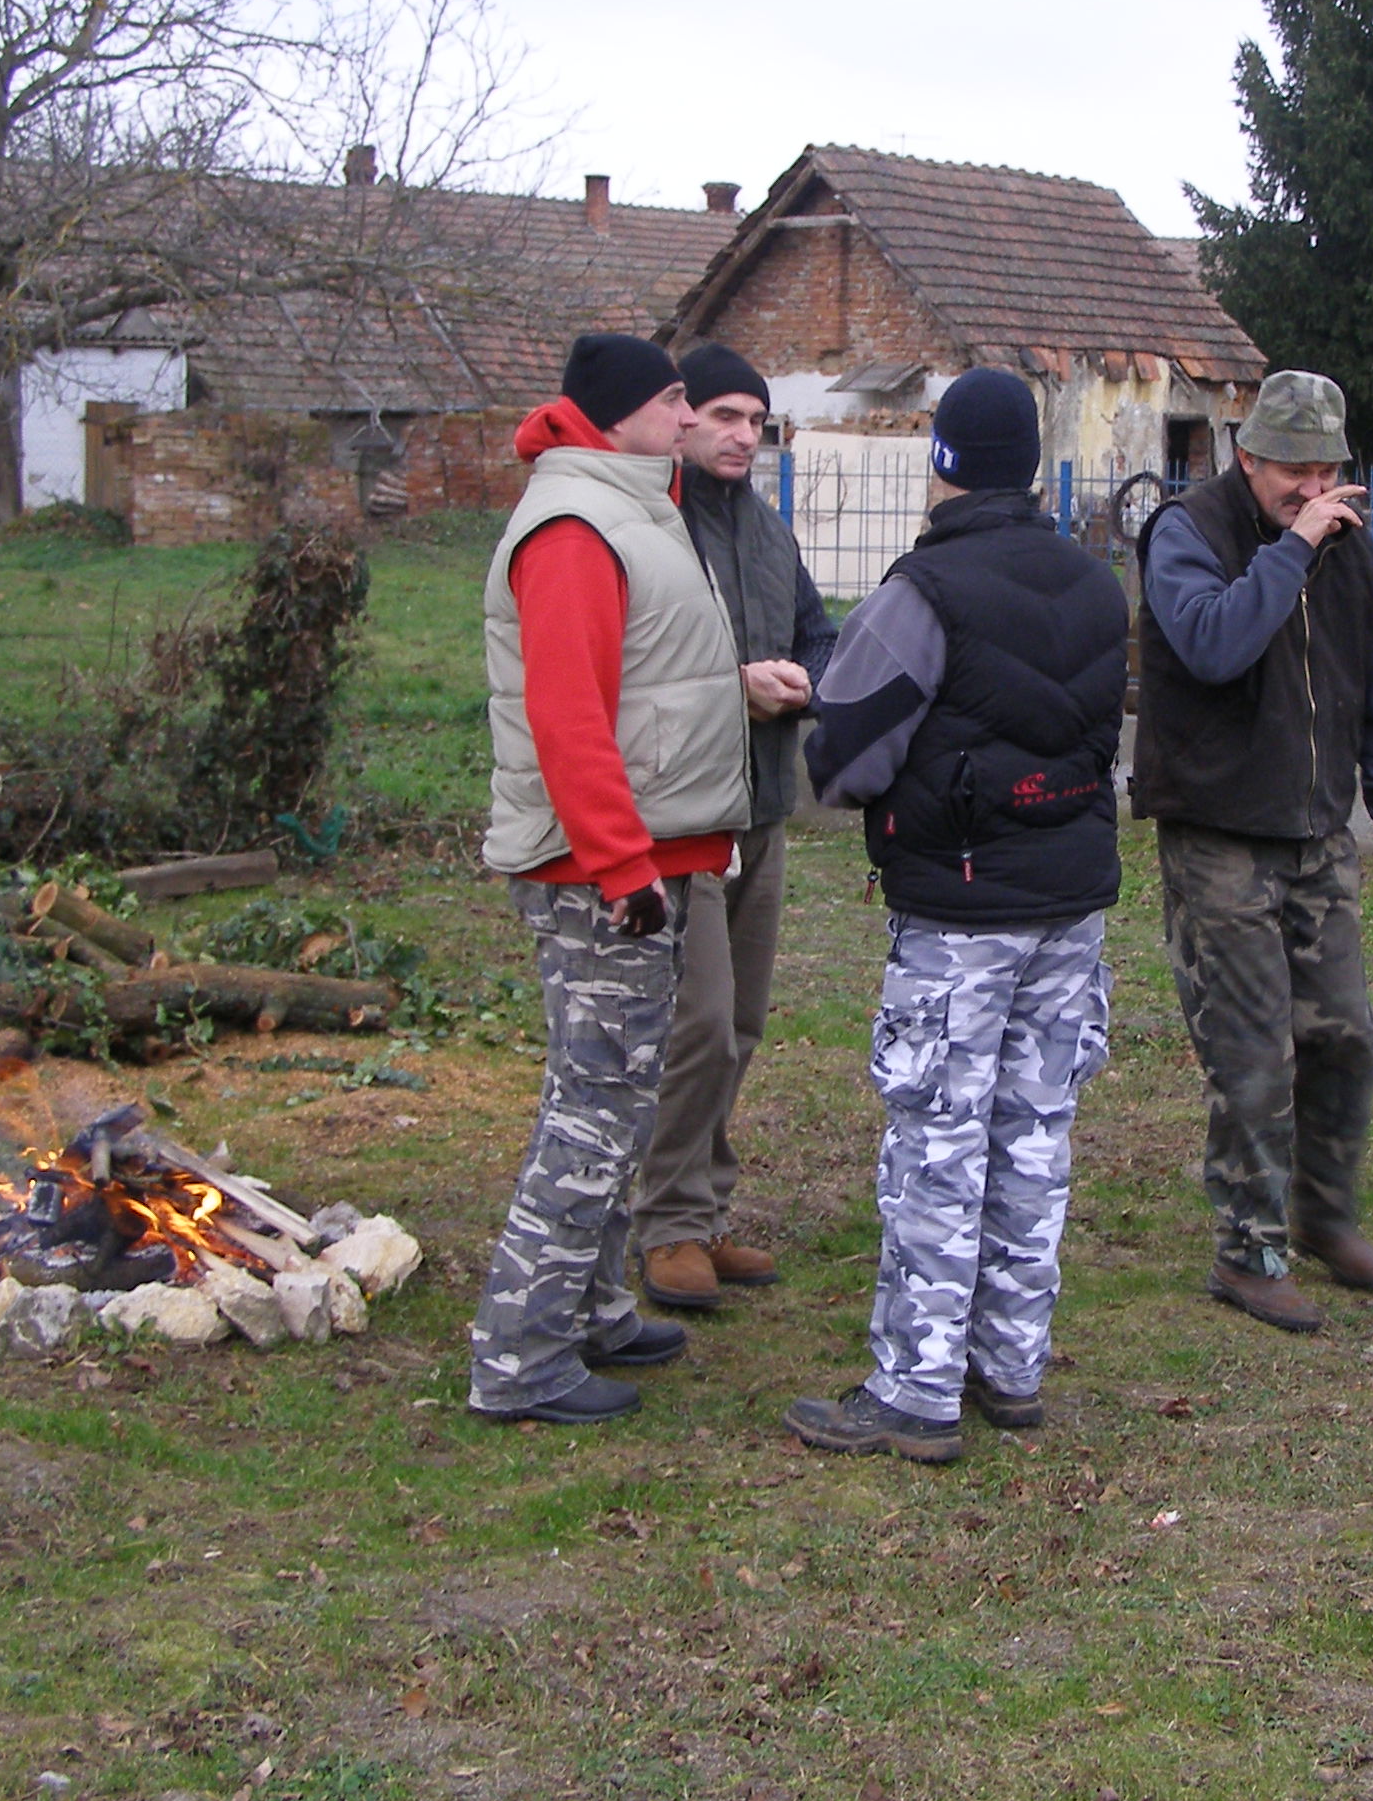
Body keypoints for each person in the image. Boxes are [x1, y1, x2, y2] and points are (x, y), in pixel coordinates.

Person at [781, 368, 1129, 1463]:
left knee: (938, 1141)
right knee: (1035, 1136)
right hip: (1070, 904)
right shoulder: (1097, 586)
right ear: (1029, 463)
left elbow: (843, 758)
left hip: (962, 913)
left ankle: (916, 1391)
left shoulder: (921, 594)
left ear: (942, 463)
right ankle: (1010, 1368)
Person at [467, 333, 752, 1426]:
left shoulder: (632, 507)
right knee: (591, 1113)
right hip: (597, 876)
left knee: (619, 1101)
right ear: (617, 414)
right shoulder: (573, 528)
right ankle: (519, 1360)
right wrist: (621, 864)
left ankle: (590, 1309)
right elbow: (567, 715)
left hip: (640, 859)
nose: (688, 416)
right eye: (674, 399)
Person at [1131, 368, 1373, 1336]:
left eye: (1326, 471)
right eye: (1293, 472)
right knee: (1251, 1053)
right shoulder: (1186, 533)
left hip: (1315, 830)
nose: (1313, 489)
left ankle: (1322, 1215)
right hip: (1217, 829)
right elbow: (1212, 645)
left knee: (1344, 1037)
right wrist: (1293, 549)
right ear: (1246, 456)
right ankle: (1247, 1253)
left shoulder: (1349, 547)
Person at [631, 342, 838, 1310]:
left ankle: (703, 1212)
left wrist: (807, 682)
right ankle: (667, 1223)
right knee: (701, 1024)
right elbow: (631, 671)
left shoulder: (766, 530)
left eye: (757, 421)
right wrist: (731, 687)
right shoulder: (651, 529)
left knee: (742, 1024)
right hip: (683, 815)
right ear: (684, 419)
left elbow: (818, 634)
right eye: (724, 415)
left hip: (764, 806)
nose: (743, 435)